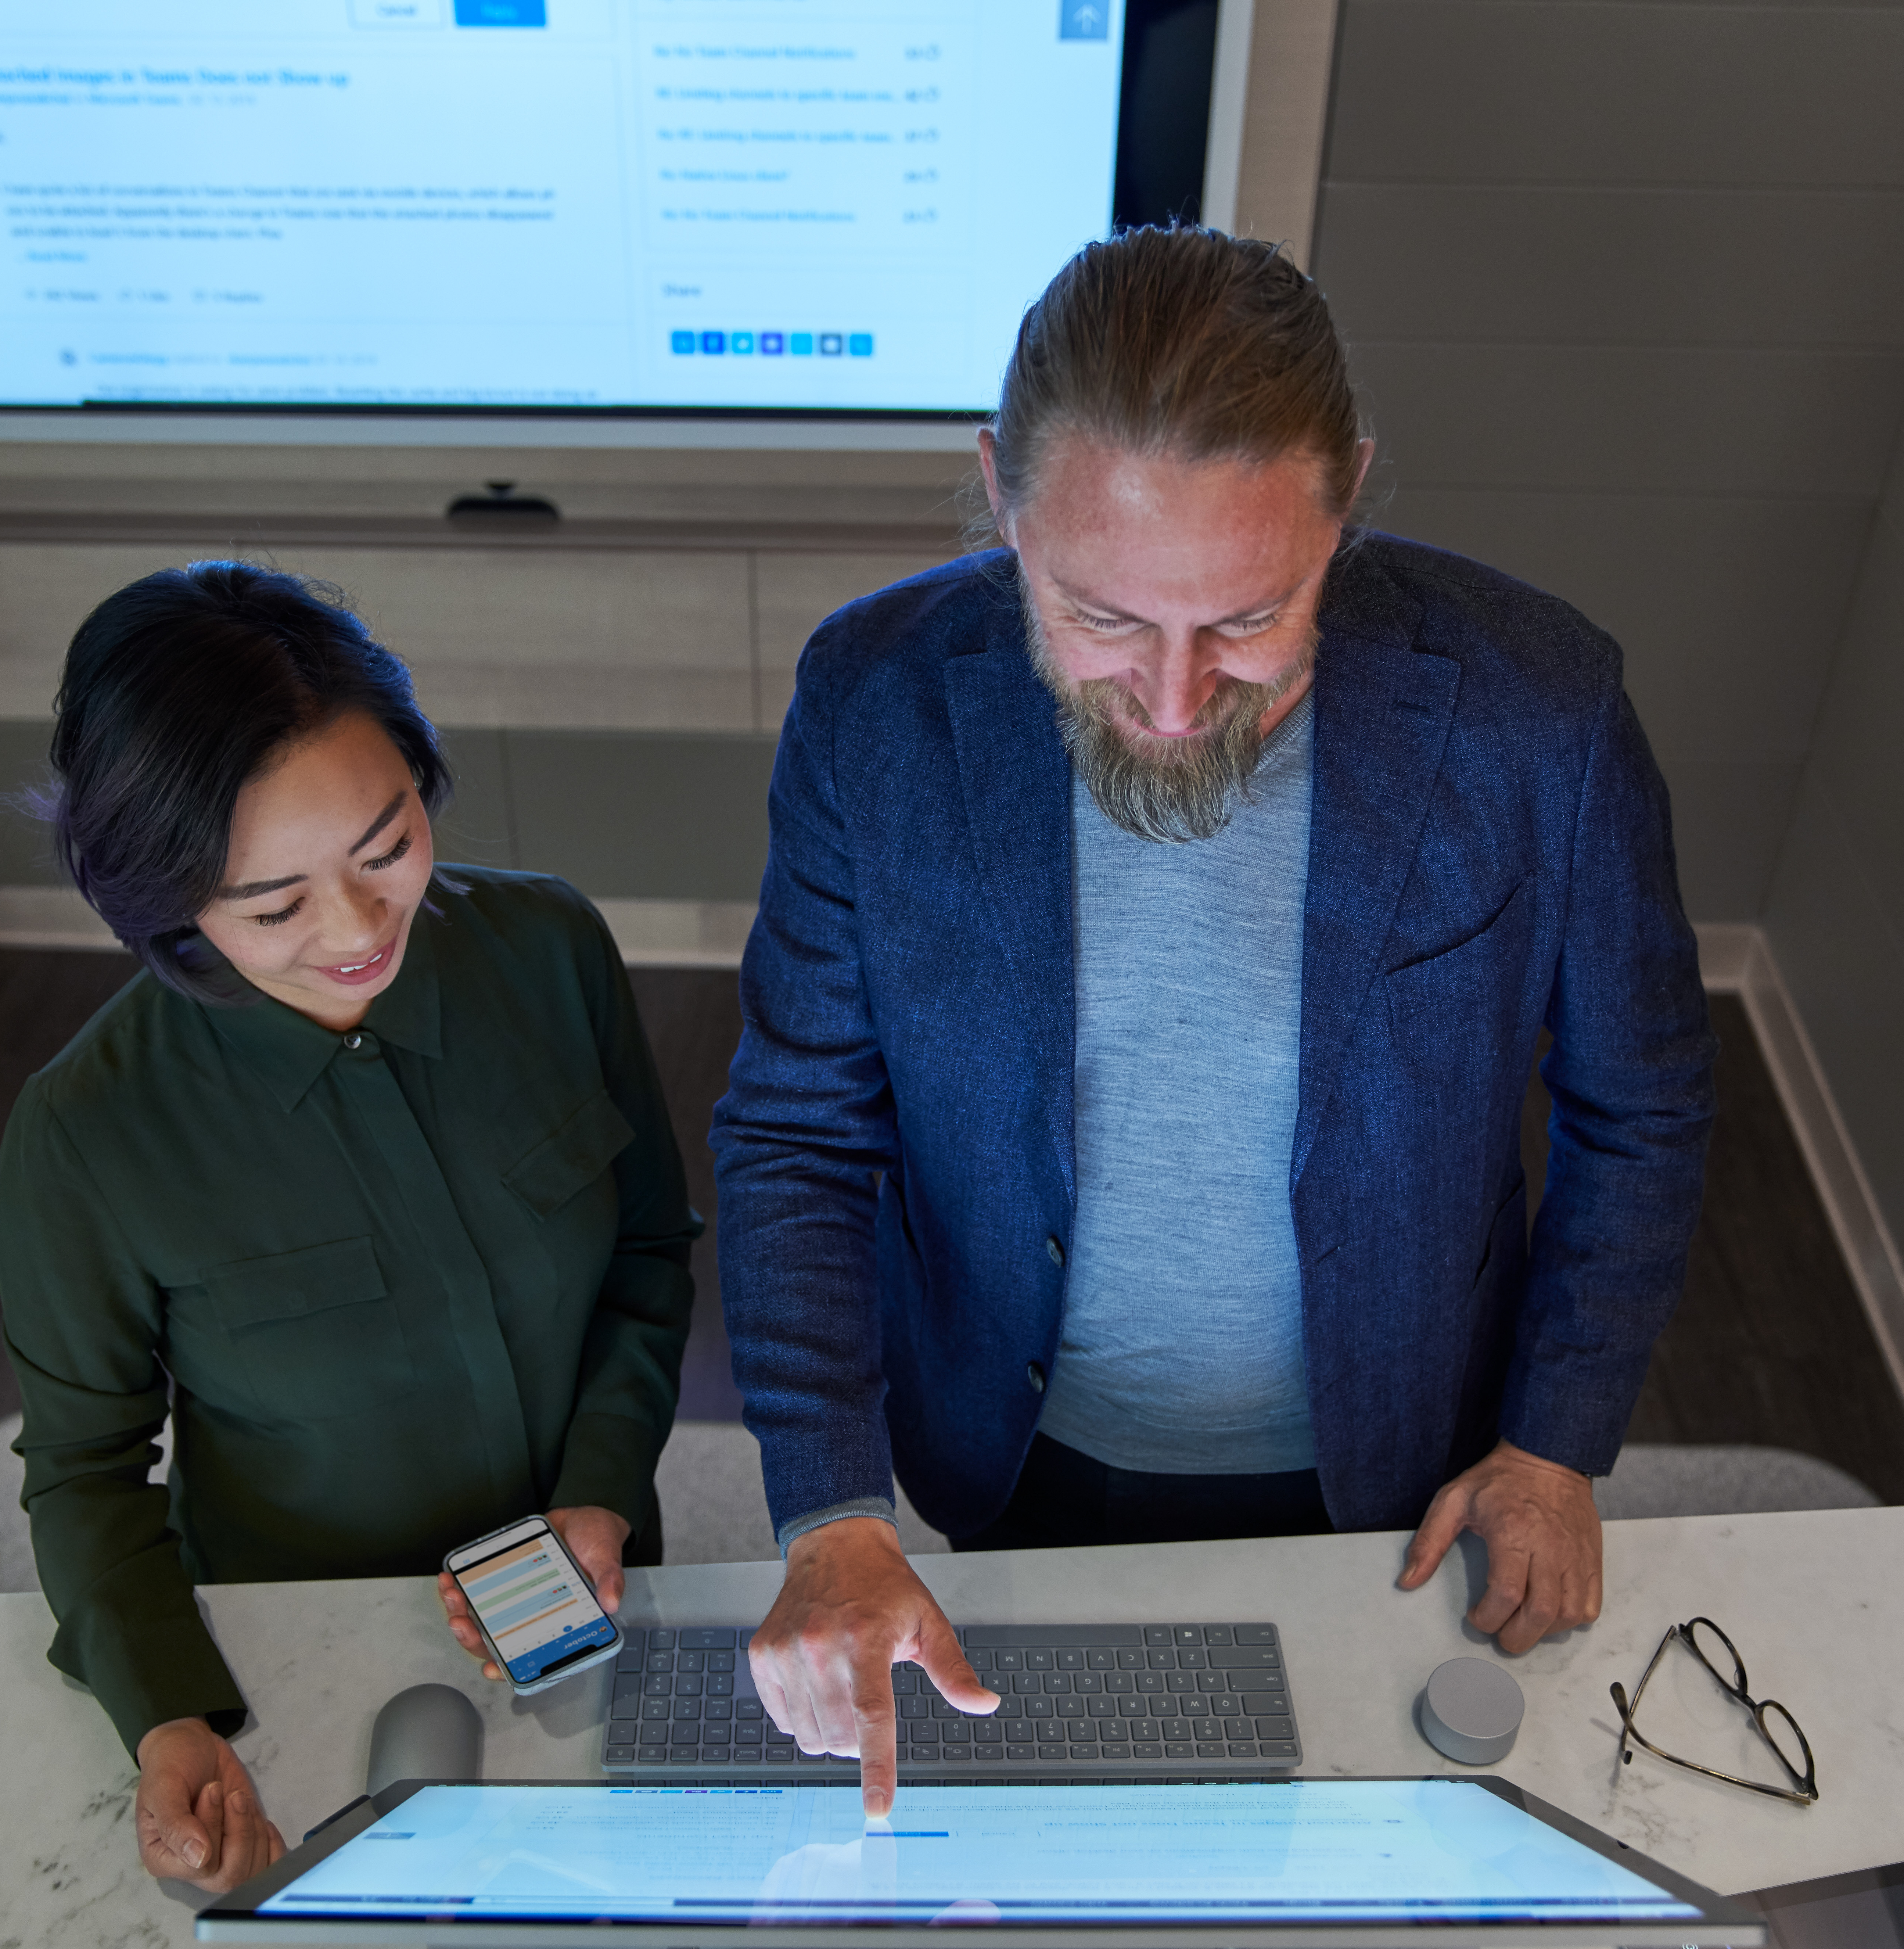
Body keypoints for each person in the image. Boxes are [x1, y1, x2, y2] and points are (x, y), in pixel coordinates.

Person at [711, 227, 1716, 1809]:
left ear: (1346, 503)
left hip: (1391, 1454)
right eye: (1102, 618)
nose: (1175, 706)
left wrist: (1553, 1442)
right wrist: (830, 1506)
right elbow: (795, 1125)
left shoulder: (1541, 709)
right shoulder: (871, 699)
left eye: (1249, 619)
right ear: (998, 494)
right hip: (1005, 1432)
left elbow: (1640, 1104)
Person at [0, 562, 698, 1892]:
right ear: (167, 905)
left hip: (589, 1594)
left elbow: (649, 1254)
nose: (361, 927)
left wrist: (599, 1496)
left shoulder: (549, 948)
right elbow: (86, 1475)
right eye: (275, 908)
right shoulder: (85, 1135)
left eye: (387, 846)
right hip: (290, 1640)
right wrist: (165, 1714)